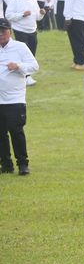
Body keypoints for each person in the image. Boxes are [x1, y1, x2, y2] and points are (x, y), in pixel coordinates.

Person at [0, 18, 38, 175]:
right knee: (0, 133)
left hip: (15, 99)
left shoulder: (19, 47)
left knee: (16, 131)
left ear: (10, 31)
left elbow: (34, 66)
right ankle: (6, 164)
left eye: (3, 30)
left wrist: (19, 66)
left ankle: (22, 163)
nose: (1, 34)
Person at [5, 0, 43, 86]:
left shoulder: (33, 1)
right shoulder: (15, 1)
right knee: (22, 54)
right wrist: (22, 14)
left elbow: (37, 17)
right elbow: (8, 15)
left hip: (32, 30)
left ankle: (28, 74)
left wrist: (42, 14)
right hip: (20, 30)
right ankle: (25, 77)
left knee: (31, 53)